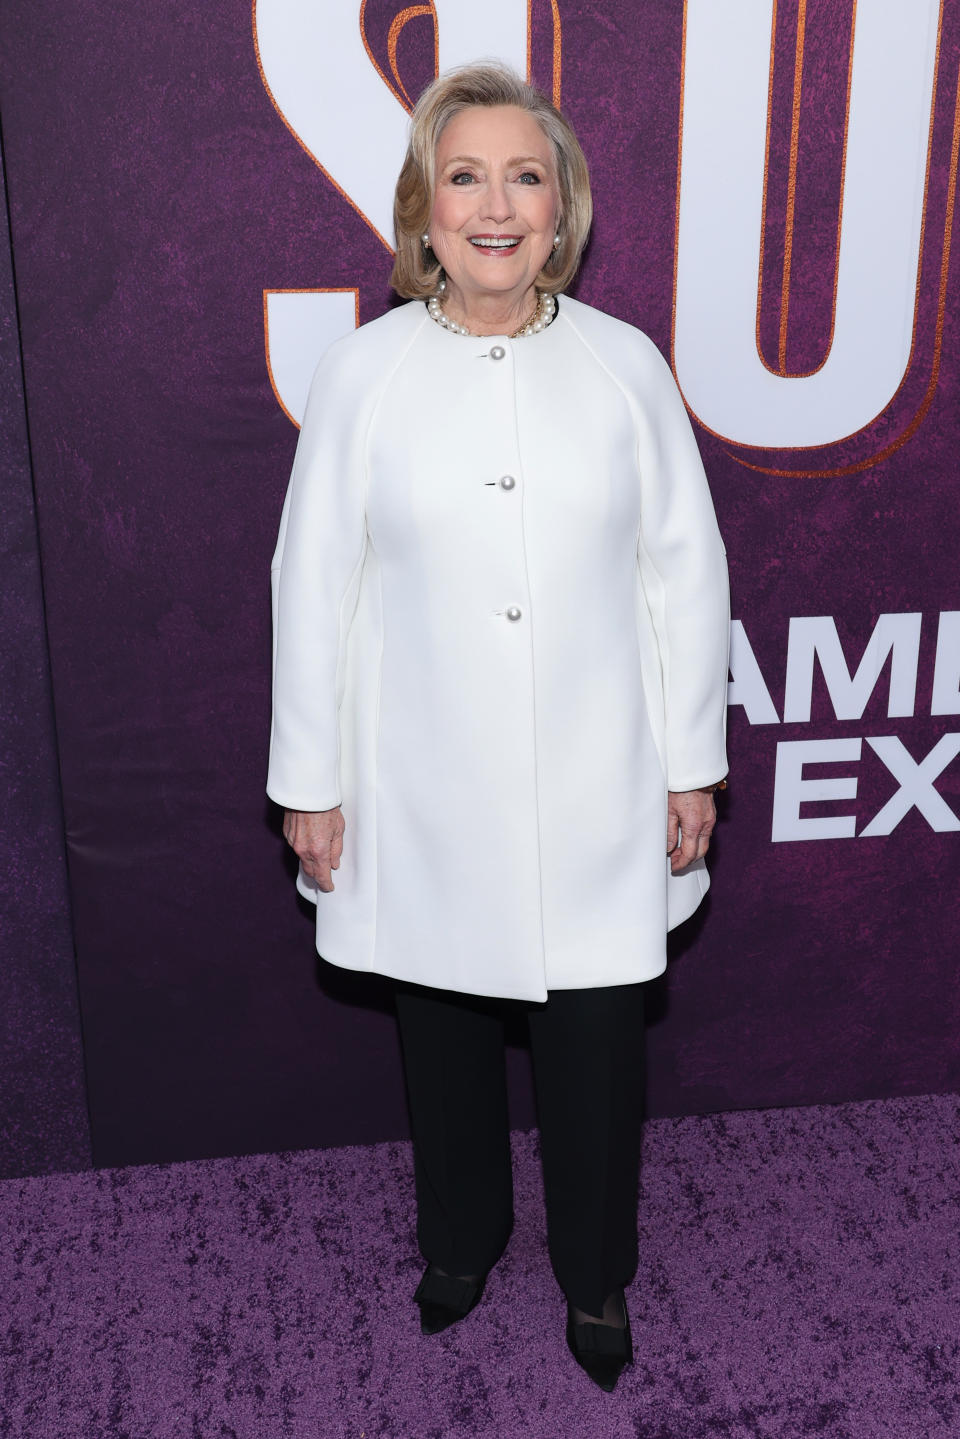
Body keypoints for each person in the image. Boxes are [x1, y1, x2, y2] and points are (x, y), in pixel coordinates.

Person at [267, 63, 729, 1393]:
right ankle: (460, 1243)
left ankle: (596, 1279)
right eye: (465, 174)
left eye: (525, 175)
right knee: (444, 1042)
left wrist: (690, 759)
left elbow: (683, 572)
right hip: (417, 785)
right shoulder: (363, 372)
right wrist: (312, 777)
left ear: (563, 206)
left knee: (596, 1052)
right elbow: (315, 583)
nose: (495, 204)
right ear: (424, 205)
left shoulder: (624, 364)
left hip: (601, 776)